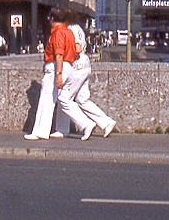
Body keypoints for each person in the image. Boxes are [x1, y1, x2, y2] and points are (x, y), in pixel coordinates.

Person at [26, 8, 95, 141]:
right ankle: (85, 123)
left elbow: (58, 54)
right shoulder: (69, 32)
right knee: (64, 99)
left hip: (56, 67)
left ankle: (40, 131)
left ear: (52, 19)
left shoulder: (57, 33)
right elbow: (76, 49)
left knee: (47, 100)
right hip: (69, 67)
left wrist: (58, 74)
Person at [54, 11, 116, 138]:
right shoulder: (78, 28)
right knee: (82, 99)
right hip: (85, 65)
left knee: (64, 98)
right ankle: (106, 122)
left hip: (76, 66)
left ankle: (66, 128)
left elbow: (77, 48)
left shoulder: (70, 29)